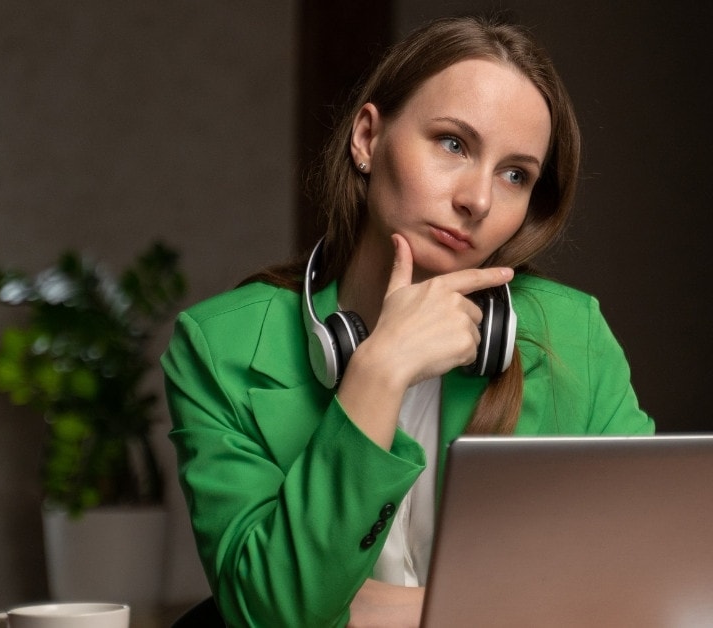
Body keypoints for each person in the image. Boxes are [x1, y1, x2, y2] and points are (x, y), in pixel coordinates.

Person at [161, 14, 654, 628]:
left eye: (515, 174)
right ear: (368, 139)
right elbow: (276, 615)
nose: (477, 198)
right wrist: (379, 371)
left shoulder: (571, 335)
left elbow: (640, 585)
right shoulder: (220, 347)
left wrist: (381, 611)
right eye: (453, 143)